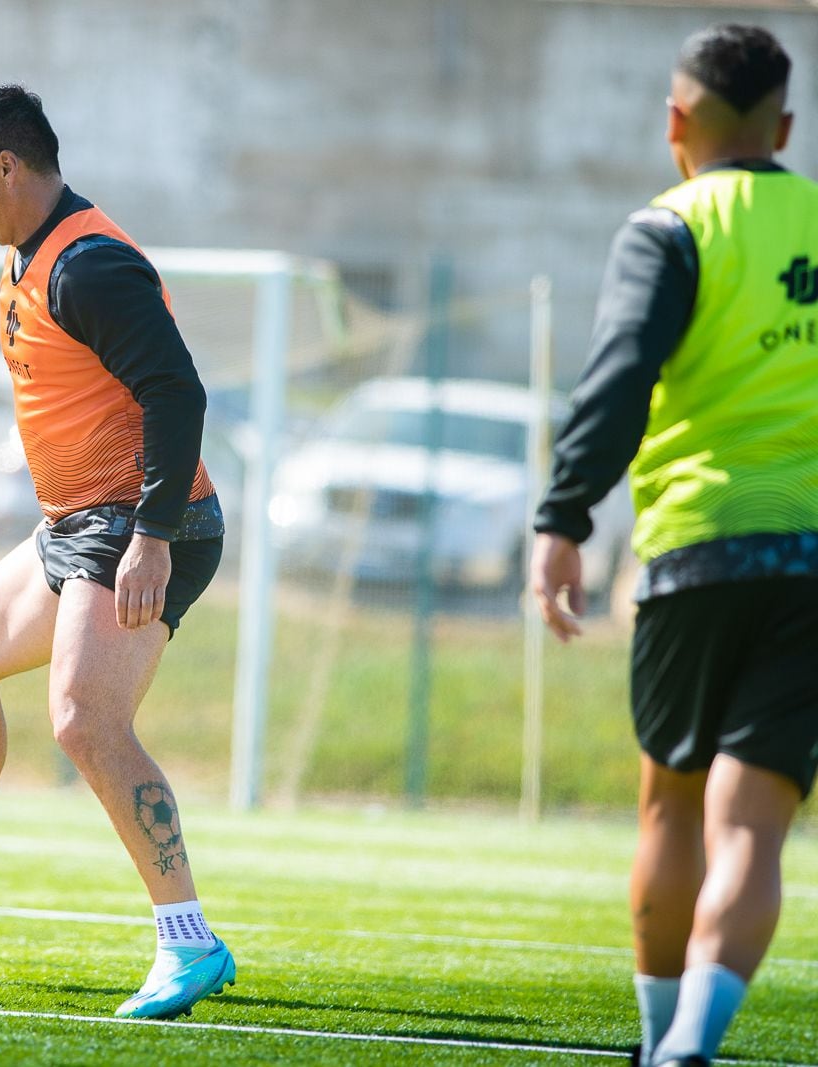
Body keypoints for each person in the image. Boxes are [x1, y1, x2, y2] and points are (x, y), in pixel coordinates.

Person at [0, 85, 234, 1020]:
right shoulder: (28, 253)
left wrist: (153, 539)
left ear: (6, 166)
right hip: (76, 526)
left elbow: (179, 396)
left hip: (140, 524)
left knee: (85, 720)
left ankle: (189, 939)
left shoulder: (87, 264)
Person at [530, 25, 817, 1067]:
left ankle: (660, 1047)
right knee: (755, 823)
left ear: (673, 124)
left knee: (674, 805)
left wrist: (562, 517)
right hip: (812, 563)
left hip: (696, 549)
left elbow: (616, 381)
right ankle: (696, 1037)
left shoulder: (668, 227)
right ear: (783, 126)